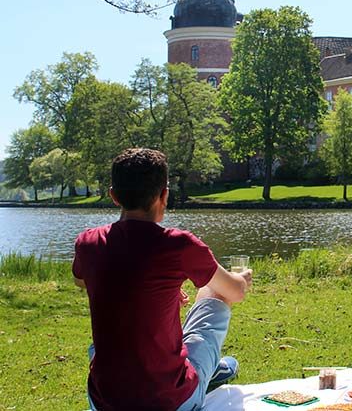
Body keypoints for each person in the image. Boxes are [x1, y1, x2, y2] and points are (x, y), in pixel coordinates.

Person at [73, 148, 252, 410]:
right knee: (213, 294)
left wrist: (156, 288)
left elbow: (81, 280)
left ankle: (204, 368)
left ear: (113, 196)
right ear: (164, 195)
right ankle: (209, 369)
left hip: (105, 402)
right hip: (171, 401)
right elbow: (234, 292)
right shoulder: (178, 245)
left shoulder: (88, 243)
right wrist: (241, 278)